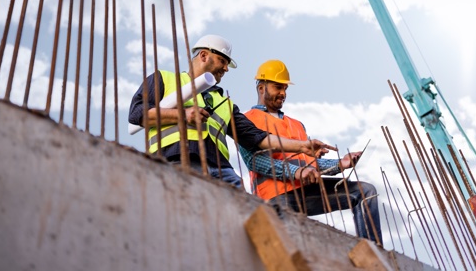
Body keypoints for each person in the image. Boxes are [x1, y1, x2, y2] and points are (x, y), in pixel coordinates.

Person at [128, 35, 334, 189]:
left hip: (223, 170)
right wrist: (182, 115)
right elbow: (137, 114)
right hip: (178, 159)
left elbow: (257, 138)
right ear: (204, 56)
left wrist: (303, 146)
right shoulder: (164, 79)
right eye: (223, 62)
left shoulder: (224, 102)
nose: (226, 69)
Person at [239, 60, 382, 243]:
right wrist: (297, 172)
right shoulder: (247, 120)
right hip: (276, 196)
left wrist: (340, 164)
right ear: (261, 88)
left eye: (285, 88)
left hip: (306, 191)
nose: (283, 93)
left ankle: (375, 255)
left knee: (365, 191)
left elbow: (310, 164)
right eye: (277, 87)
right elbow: (255, 161)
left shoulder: (296, 124)